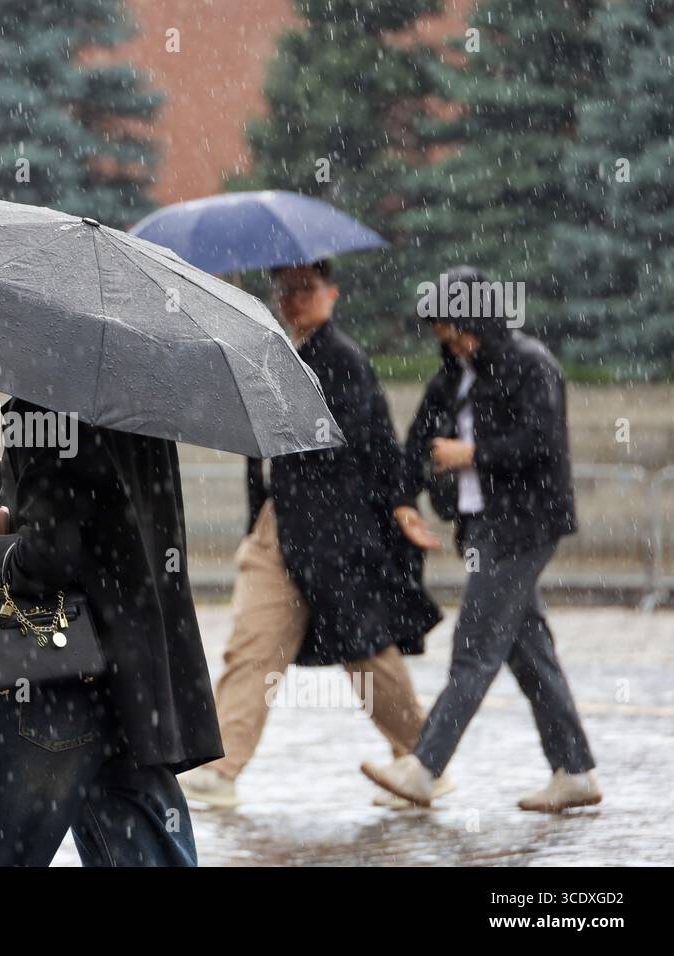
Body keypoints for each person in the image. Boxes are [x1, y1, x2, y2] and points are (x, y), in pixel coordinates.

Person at [0, 399, 223, 867]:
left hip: (50, 683)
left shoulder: (44, 401)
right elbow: (96, 511)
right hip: (128, 687)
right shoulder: (136, 397)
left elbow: (49, 557)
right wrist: (1, 472)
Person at [179, 260, 445, 810]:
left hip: (334, 531)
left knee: (366, 650)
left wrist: (399, 505)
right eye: (284, 291)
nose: (293, 300)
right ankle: (220, 769)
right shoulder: (274, 353)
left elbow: (369, 442)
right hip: (278, 527)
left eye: (305, 291)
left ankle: (423, 758)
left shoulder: (344, 360)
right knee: (252, 644)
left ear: (332, 295)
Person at [364, 267, 601, 813]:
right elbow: (418, 442)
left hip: (524, 527)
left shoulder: (530, 364)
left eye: (456, 326)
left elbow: (542, 443)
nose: (451, 338)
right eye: (444, 329)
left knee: (473, 649)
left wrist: (473, 453)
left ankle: (425, 768)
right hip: (484, 526)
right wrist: (404, 501)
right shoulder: (454, 376)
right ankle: (575, 770)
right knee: (529, 650)